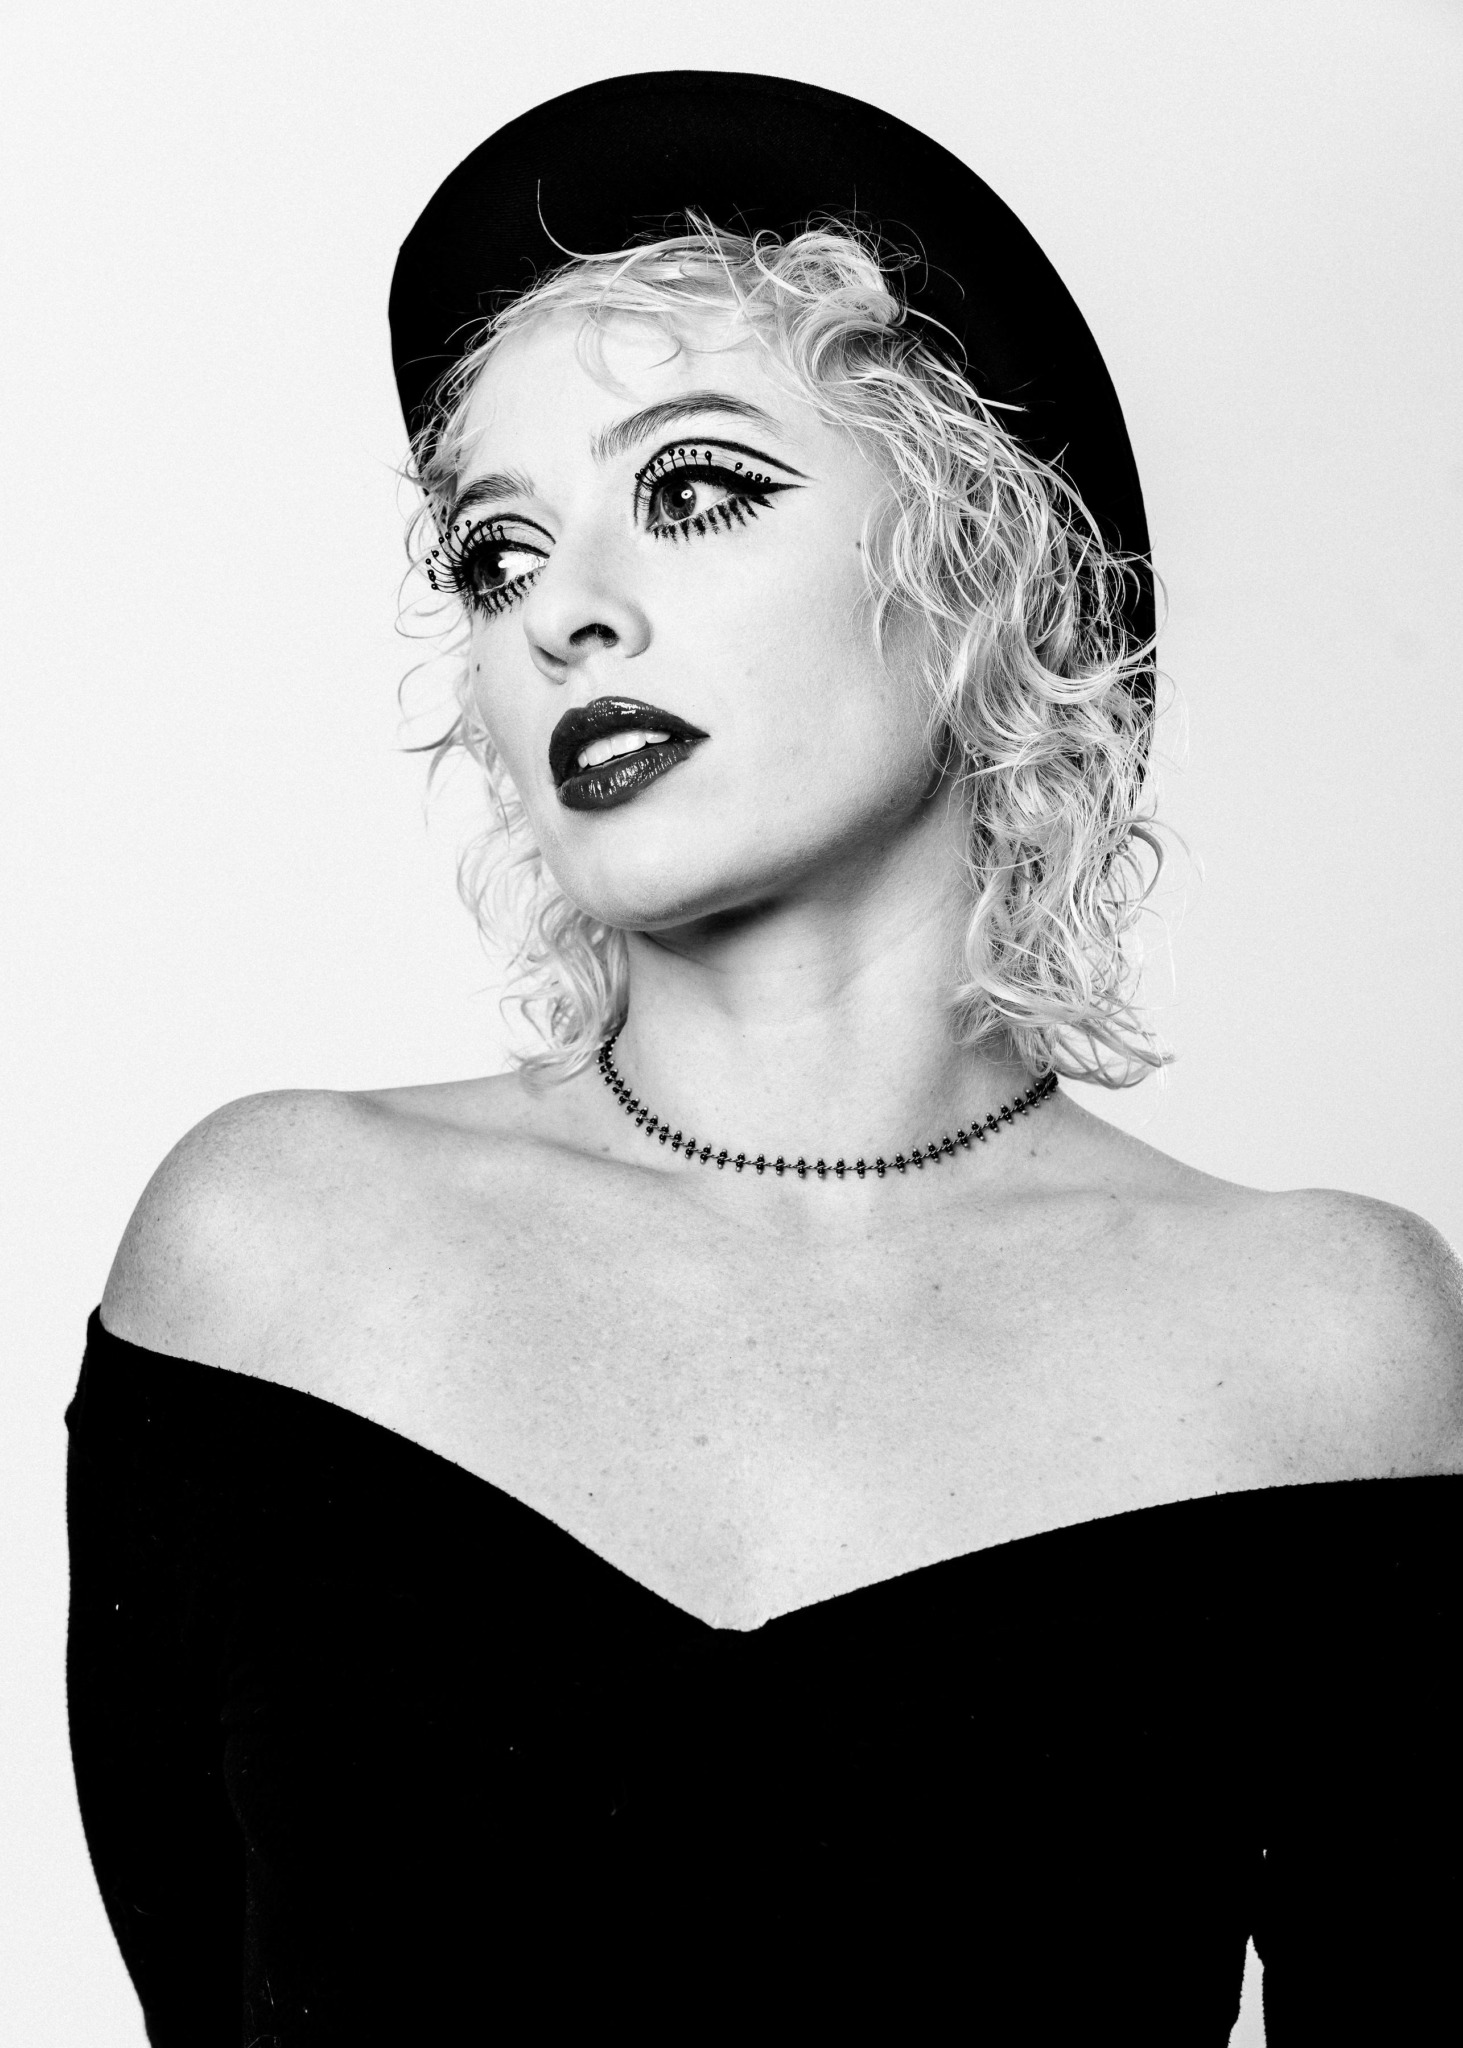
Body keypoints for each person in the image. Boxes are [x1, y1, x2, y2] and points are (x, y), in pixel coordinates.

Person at [67, 72, 1461, 2046]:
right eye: (494, 555)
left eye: (696, 488)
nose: (564, 614)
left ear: (984, 560)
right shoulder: (277, 1254)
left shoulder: (1327, 1338)